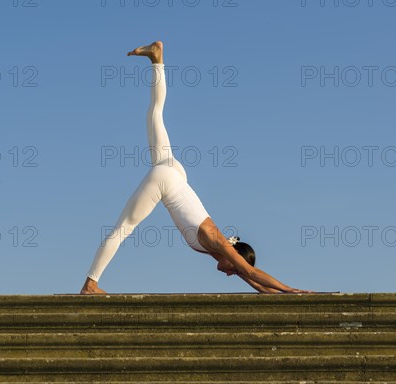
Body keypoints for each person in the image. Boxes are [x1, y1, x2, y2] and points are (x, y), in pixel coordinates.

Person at [80, 41, 314, 295]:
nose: (229, 273)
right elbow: (251, 273)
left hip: (173, 172)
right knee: (123, 228)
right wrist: (293, 291)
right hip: (165, 180)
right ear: (234, 254)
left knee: (155, 114)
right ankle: (90, 284)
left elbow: (251, 279)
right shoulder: (217, 241)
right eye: (233, 268)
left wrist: (274, 294)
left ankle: (157, 59)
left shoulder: (219, 249)